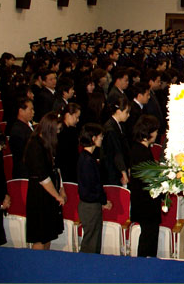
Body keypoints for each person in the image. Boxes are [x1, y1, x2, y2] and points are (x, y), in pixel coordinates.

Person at [24, 112, 66, 250]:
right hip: (39, 195)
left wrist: (61, 189)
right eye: (57, 130)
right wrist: (57, 195)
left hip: (49, 192)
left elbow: (56, 168)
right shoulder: (35, 145)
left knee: (48, 234)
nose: (58, 133)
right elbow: (42, 177)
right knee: (39, 235)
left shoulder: (47, 144)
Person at [129, 115, 162, 257]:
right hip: (146, 203)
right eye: (155, 131)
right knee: (148, 238)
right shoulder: (141, 152)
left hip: (143, 201)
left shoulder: (138, 148)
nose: (156, 134)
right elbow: (148, 178)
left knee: (148, 236)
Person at [77, 123, 112, 254]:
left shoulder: (86, 158)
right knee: (90, 243)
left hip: (91, 204)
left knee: (93, 241)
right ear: (93, 138)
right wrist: (103, 200)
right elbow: (92, 187)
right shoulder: (87, 160)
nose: (101, 139)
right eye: (100, 136)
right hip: (90, 206)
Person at [101, 95, 131, 186]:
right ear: (118, 111)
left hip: (117, 167)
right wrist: (123, 172)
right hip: (112, 170)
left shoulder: (119, 125)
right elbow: (116, 152)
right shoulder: (110, 129)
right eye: (127, 112)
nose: (128, 115)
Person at [9, 97, 35, 179]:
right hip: (24, 173)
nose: (33, 112)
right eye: (30, 110)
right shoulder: (17, 130)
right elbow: (21, 154)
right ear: (21, 111)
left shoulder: (27, 126)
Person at [55, 103, 81, 183]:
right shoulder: (65, 132)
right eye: (76, 117)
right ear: (68, 115)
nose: (78, 120)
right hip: (67, 169)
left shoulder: (71, 130)